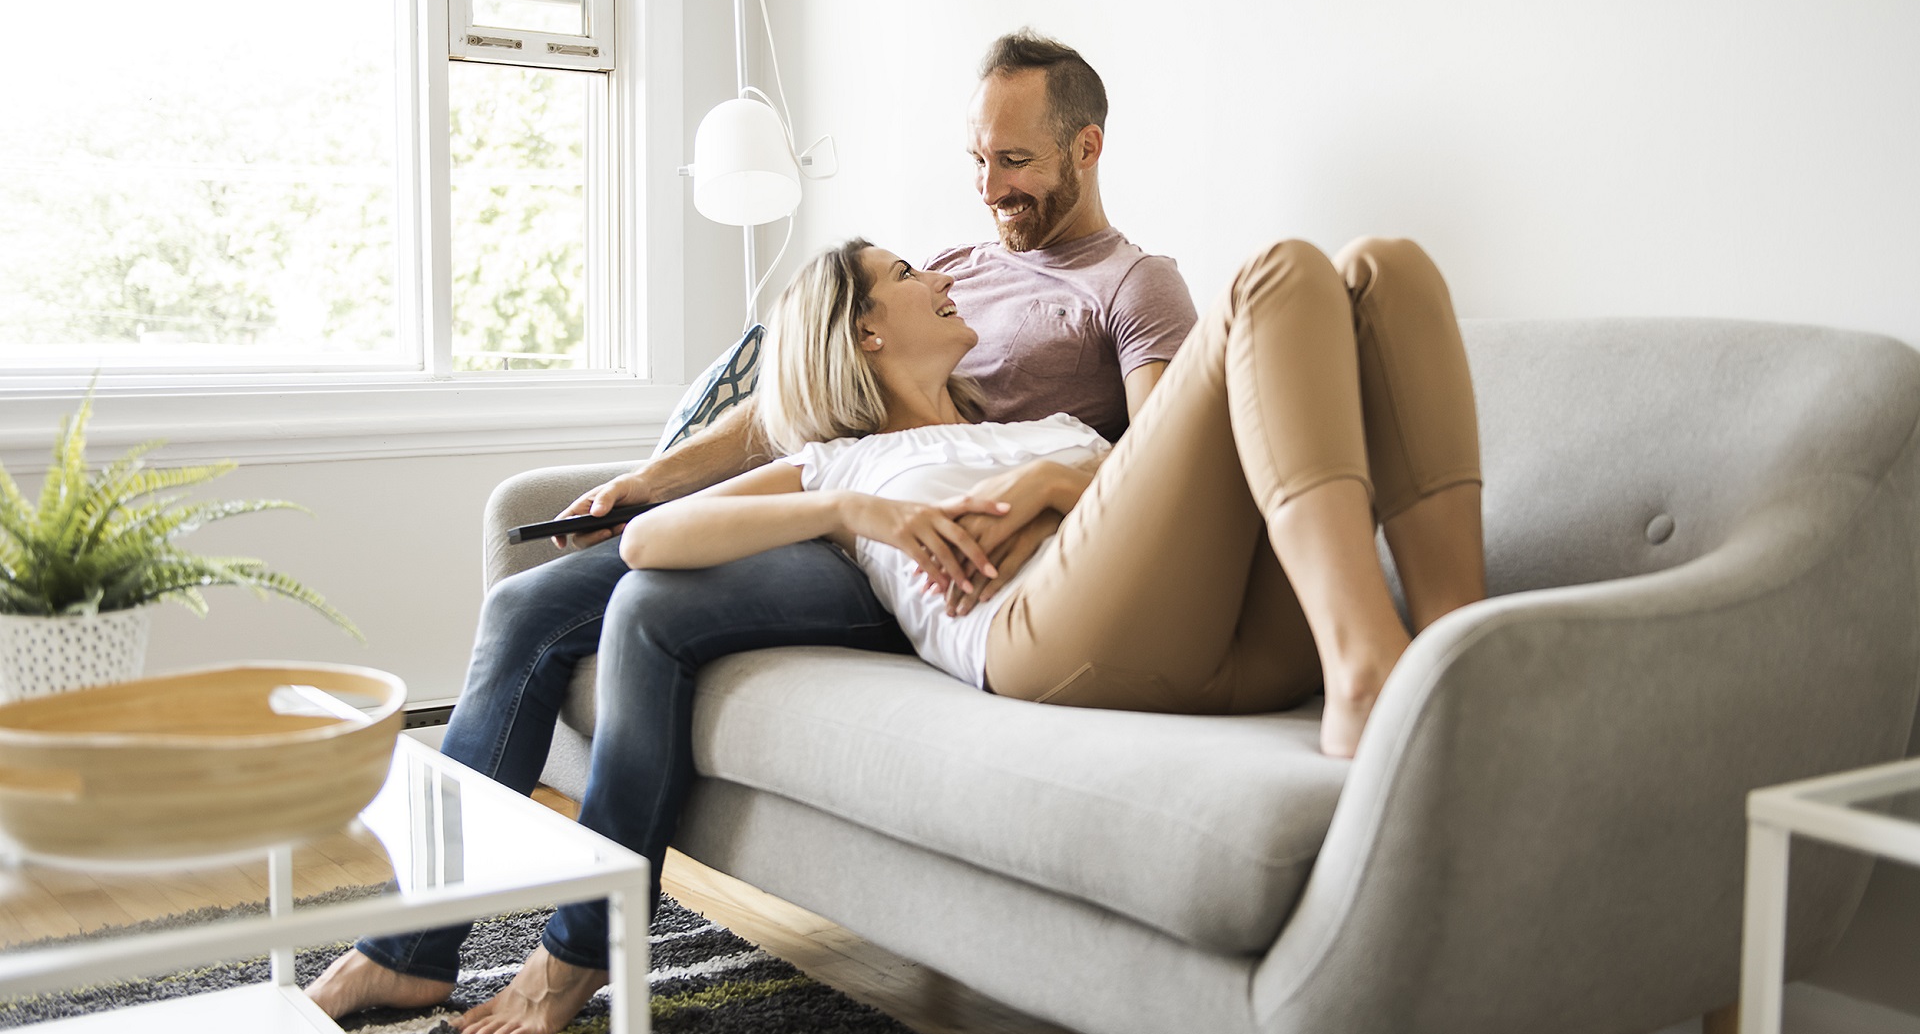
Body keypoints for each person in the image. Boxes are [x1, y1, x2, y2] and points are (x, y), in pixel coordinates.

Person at [305, 30, 1200, 1034]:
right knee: (524, 605)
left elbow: (1162, 459)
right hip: (833, 490)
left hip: (917, 547)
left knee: (649, 605)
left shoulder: (1132, 287)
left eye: (1017, 160)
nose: (991, 185)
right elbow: (795, 407)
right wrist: (646, 481)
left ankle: (580, 950)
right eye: (979, 159)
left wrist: (1040, 484)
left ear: (1086, 148)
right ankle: (408, 951)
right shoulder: (952, 267)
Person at [626, 236, 1484, 750]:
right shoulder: (840, 465)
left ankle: (1458, 655)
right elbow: (648, 542)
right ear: (866, 331)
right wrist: (850, 513)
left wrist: (1052, 479)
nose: (943, 280)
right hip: (1041, 637)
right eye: (909, 273)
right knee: (1281, 272)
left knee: (1386, 267)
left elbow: (1162, 510)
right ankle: (1367, 664)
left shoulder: (1047, 428)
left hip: (1232, 629)